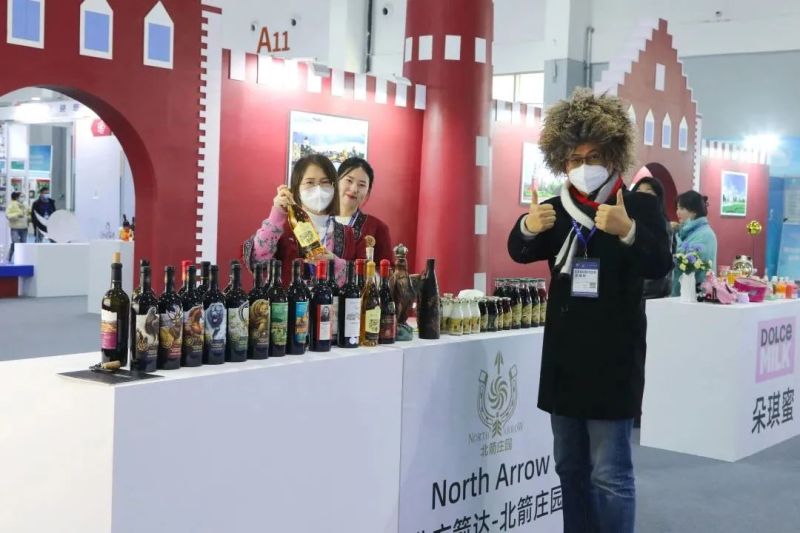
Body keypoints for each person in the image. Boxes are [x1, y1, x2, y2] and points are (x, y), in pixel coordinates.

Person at [506, 88, 672, 533]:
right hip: (564, 358)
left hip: (613, 358)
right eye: (575, 158)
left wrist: (628, 230)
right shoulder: (555, 208)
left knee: (610, 474)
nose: (584, 166)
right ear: (561, 161)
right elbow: (518, 250)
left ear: (613, 154)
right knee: (569, 467)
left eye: (594, 156)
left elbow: (660, 264)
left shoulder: (638, 205)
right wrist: (527, 227)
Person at [244, 154, 361, 285]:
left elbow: (359, 282)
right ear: (296, 188)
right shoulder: (281, 229)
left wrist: (335, 264)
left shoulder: (348, 234)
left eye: (325, 182)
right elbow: (257, 261)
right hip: (286, 298)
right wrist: (277, 214)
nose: (318, 189)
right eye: (310, 182)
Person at [336, 157, 393, 263]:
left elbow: (387, 268)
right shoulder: (319, 220)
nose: (354, 189)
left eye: (361, 185)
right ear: (336, 181)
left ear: (368, 191)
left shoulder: (378, 228)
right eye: (349, 181)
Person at [632, 177, 674, 299]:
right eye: (639, 190)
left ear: (658, 198)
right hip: (631, 290)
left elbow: (662, 258)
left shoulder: (661, 224)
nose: (642, 195)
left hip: (651, 292)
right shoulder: (629, 220)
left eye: (648, 192)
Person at [671, 190, 717, 296]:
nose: (677, 212)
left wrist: (673, 238)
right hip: (682, 295)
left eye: (682, 208)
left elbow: (688, 260)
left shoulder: (706, 234)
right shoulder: (684, 232)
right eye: (677, 208)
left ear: (694, 211)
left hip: (697, 295)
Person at [6, 192, 29, 262]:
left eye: (23, 196)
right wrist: (17, 214)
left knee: (23, 243)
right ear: (17, 197)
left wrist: (29, 218)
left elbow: (28, 213)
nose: (23, 198)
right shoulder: (11, 205)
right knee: (15, 243)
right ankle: (10, 257)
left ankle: (22, 259)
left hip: (24, 227)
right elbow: (8, 215)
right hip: (15, 228)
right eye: (21, 196)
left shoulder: (25, 205)